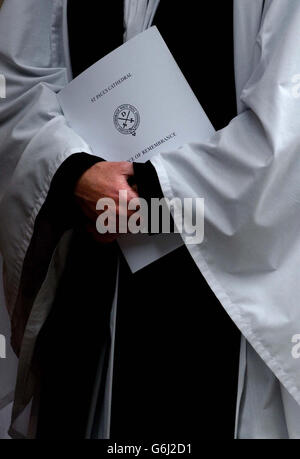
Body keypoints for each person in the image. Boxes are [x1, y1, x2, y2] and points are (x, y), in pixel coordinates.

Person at [1, 0, 300, 440]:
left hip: (215, 278)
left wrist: (148, 187)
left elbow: (288, 119)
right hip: (89, 270)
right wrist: (71, 172)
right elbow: (16, 84)